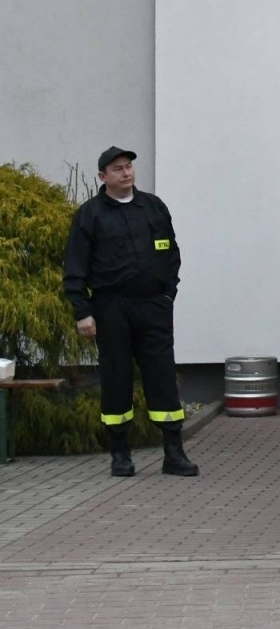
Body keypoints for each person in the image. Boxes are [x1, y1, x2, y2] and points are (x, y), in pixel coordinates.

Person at [62, 146, 198, 478]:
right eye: (118, 169)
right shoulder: (90, 215)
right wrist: (82, 311)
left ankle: (173, 453)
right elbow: (75, 266)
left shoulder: (152, 207)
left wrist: (168, 295)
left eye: (129, 167)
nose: (127, 173)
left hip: (153, 305)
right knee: (116, 376)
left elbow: (171, 253)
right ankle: (120, 455)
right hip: (111, 307)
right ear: (103, 176)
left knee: (162, 376)